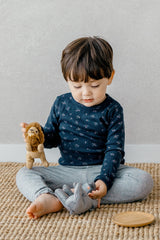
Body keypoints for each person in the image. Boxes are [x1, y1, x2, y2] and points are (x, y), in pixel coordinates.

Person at [16, 36, 153, 219]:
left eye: (95, 85)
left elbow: (114, 150)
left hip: (103, 169)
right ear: (67, 80)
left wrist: (104, 180)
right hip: (68, 171)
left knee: (143, 182)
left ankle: (75, 196)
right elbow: (53, 137)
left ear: (110, 77)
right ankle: (47, 196)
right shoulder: (61, 103)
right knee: (24, 173)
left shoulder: (113, 109)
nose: (86, 92)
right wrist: (38, 136)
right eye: (77, 86)